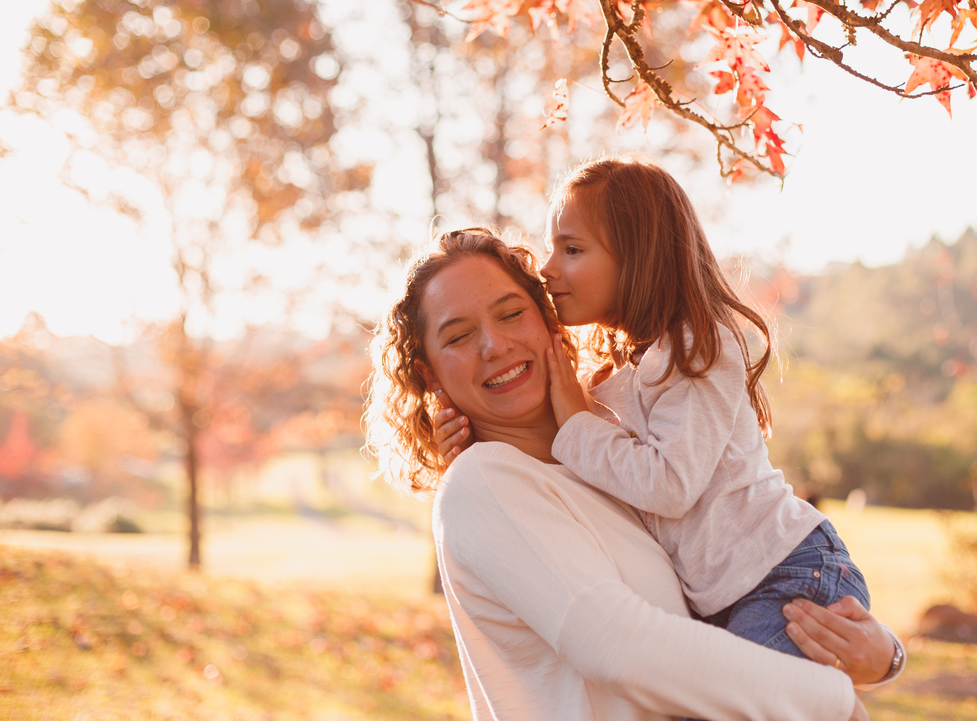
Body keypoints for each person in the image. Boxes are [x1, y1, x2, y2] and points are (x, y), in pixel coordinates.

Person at [365, 228, 902, 720]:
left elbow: (733, 578)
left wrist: (879, 657)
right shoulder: (485, 482)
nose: (493, 345)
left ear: (549, 321)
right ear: (429, 373)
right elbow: (616, 643)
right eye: (458, 336)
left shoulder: (614, 460)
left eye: (510, 314)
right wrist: (834, 701)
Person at [435, 157, 894, 676]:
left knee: (743, 705)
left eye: (572, 249)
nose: (548, 268)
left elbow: (668, 485)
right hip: (726, 597)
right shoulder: (618, 375)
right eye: (552, 247)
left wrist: (573, 420)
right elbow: (595, 472)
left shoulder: (699, 347)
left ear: (638, 256)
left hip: (784, 573)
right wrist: (479, 443)